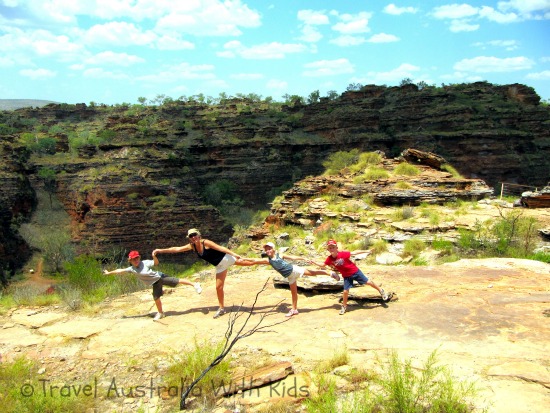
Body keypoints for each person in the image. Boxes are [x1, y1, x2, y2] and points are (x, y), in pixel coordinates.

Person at [153, 228, 255, 319]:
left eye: (195, 235)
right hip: (220, 266)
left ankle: (270, 260)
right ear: (189, 238)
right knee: (218, 287)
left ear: (199, 235)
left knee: (250, 263)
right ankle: (222, 308)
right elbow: (176, 249)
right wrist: (160, 250)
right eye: (191, 236)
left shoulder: (206, 242)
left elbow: (221, 248)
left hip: (226, 259)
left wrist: (235, 254)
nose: (193, 237)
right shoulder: (192, 246)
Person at [248, 242, 340, 317]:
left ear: (273, 249)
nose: (268, 251)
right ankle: (294, 309)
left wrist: (303, 258)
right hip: (290, 276)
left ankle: (330, 273)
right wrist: (241, 258)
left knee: (313, 273)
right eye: (266, 249)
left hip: (294, 270)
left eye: (269, 248)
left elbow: (293, 257)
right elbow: (254, 261)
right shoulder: (268, 260)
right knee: (293, 293)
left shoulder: (280, 255)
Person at [104, 250, 202, 321]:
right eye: (134, 259)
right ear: (130, 260)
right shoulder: (131, 269)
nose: (136, 260)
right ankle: (161, 313)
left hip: (160, 277)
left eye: (137, 258)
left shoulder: (145, 263)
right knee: (156, 298)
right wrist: (109, 273)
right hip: (154, 283)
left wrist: (154, 256)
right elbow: (120, 271)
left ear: (139, 258)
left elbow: (156, 263)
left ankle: (195, 284)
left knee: (176, 281)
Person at [310, 239, 389, 315]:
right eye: (330, 248)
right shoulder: (329, 259)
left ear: (336, 248)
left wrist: (367, 251)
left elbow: (354, 253)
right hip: (346, 276)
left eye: (333, 247)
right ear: (328, 249)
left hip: (355, 272)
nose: (331, 249)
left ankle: (381, 291)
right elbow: (323, 265)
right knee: (345, 291)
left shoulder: (342, 254)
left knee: (368, 282)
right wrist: (314, 262)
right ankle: (344, 306)